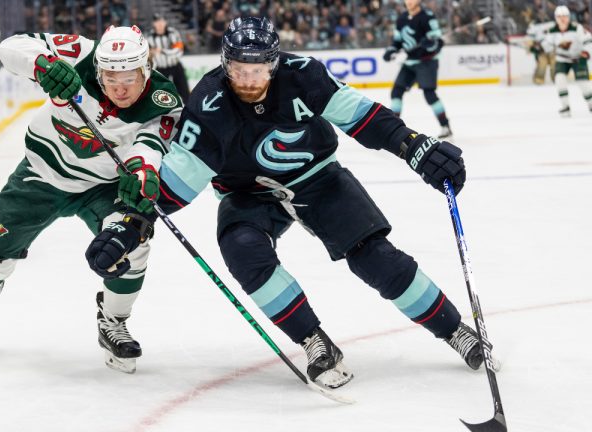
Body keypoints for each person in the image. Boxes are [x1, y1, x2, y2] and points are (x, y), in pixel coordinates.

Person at [87, 17, 483, 391]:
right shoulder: (209, 103)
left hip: (318, 177)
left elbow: (362, 118)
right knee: (243, 249)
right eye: (239, 70)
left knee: (373, 256)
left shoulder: (303, 74)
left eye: (257, 70)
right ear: (225, 65)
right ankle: (315, 341)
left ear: (274, 64)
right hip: (246, 193)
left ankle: (455, 330)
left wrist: (413, 146)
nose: (248, 80)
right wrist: (130, 222)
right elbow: (177, 182)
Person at [0, 25, 183, 374]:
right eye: (111, 77)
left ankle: (113, 320)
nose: (120, 88)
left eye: (130, 77)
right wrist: (42, 64)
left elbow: (150, 146)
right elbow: (10, 46)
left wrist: (142, 172)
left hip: (103, 185)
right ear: (98, 68)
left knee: (132, 243)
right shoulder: (79, 52)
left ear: (146, 68)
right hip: (42, 173)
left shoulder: (162, 100)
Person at [383, 0, 452, 139]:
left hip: (427, 61)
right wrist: (391, 50)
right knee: (396, 91)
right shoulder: (401, 19)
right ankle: (394, 128)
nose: (409, 1)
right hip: (410, 62)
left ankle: (445, 126)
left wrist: (430, 44)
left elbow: (438, 42)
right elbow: (397, 41)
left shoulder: (427, 16)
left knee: (429, 94)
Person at [540, 5, 592, 117]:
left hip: (578, 59)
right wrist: (539, 47)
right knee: (560, 80)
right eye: (559, 17)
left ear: (569, 17)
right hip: (562, 59)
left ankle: (591, 104)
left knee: (583, 84)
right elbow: (547, 46)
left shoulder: (577, 28)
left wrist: (586, 52)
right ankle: (565, 107)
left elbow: (588, 41)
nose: (562, 19)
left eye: (564, 16)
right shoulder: (552, 31)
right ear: (556, 18)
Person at [146, 13, 190, 102]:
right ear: (153, 24)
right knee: (161, 95)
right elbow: (148, 55)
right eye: (157, 22)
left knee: (185, 93)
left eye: (162, 21)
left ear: (165, 22)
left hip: (176, 67)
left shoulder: (173, 33)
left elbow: (178, 51)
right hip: (160, 69)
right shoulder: (149, 37)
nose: (160, 24)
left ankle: (190, 113)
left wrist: (161, 50)